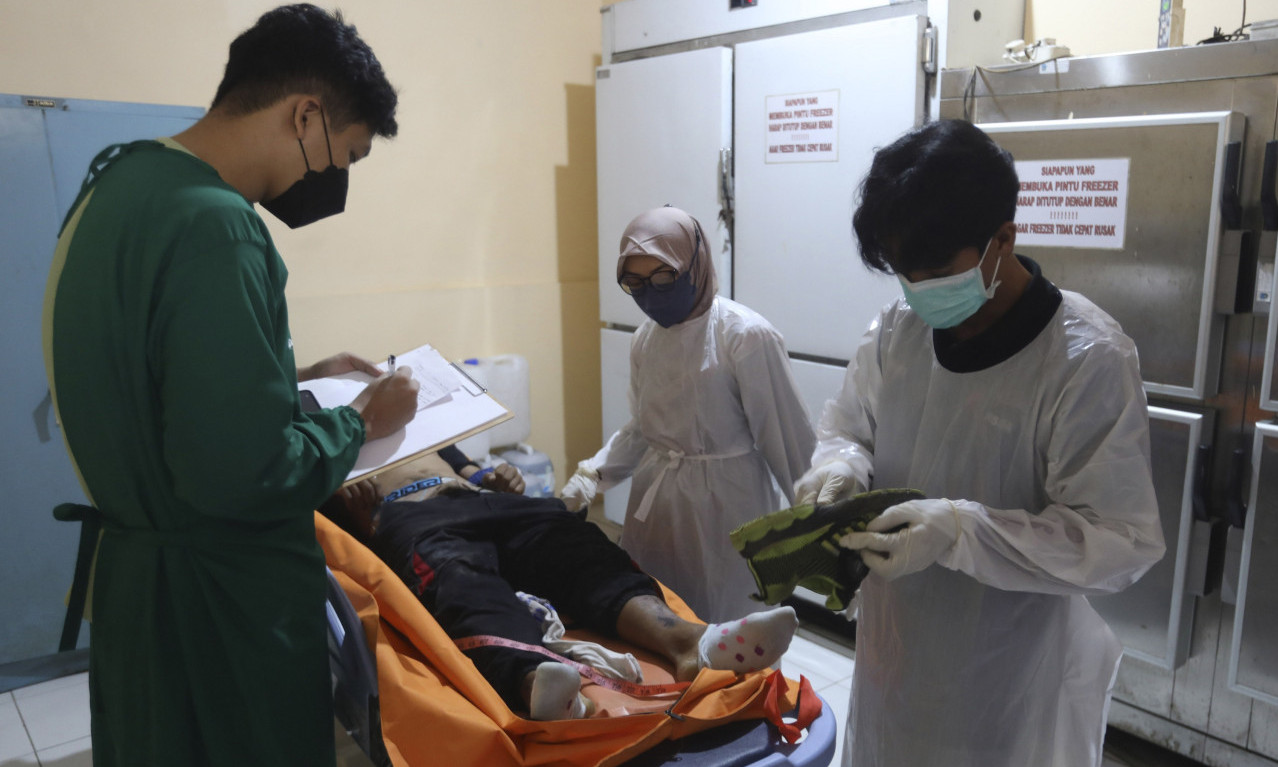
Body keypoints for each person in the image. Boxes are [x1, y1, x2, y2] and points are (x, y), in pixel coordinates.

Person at [41, 6, 418, 766]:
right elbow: (246, 474)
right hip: (218, 605)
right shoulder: (217, 226)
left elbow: (147, 376)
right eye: (345, 154)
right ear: (304, 116)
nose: (333, 179)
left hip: (142, 590)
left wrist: (289, 375)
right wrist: (361, 420)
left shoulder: (117, 184)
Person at [791, 119, 1166, 767]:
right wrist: (842, 464)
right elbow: (851, 425)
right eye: (904, 272)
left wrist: (963, 531)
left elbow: (1118, 541)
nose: (917, 290)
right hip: (895, 644)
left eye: (937, 271)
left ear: (1003, 239)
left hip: (1009, 667)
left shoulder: (1085, 358)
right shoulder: (898, 331)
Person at [321, 451, 800, 720]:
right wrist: (358, 521)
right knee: (458, 579)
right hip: (406, 517)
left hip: (486, 500)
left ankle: (692, 642)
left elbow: (473, 469)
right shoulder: (329, 442)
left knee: (576, 543)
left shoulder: (421, 421)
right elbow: (332, 537)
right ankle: (539, 684)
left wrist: (499, 477)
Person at [560, 206, 816, 623]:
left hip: (730, 507)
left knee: (731, 625)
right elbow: (644, 429)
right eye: (635, 283)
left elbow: (790, 443)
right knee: (661, 616)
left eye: (663, 276)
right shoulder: (645, 339)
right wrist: (591, 476)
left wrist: (831, 533)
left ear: (693, 264)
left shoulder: (744, 335)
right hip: (659, 506)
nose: (650, 293)